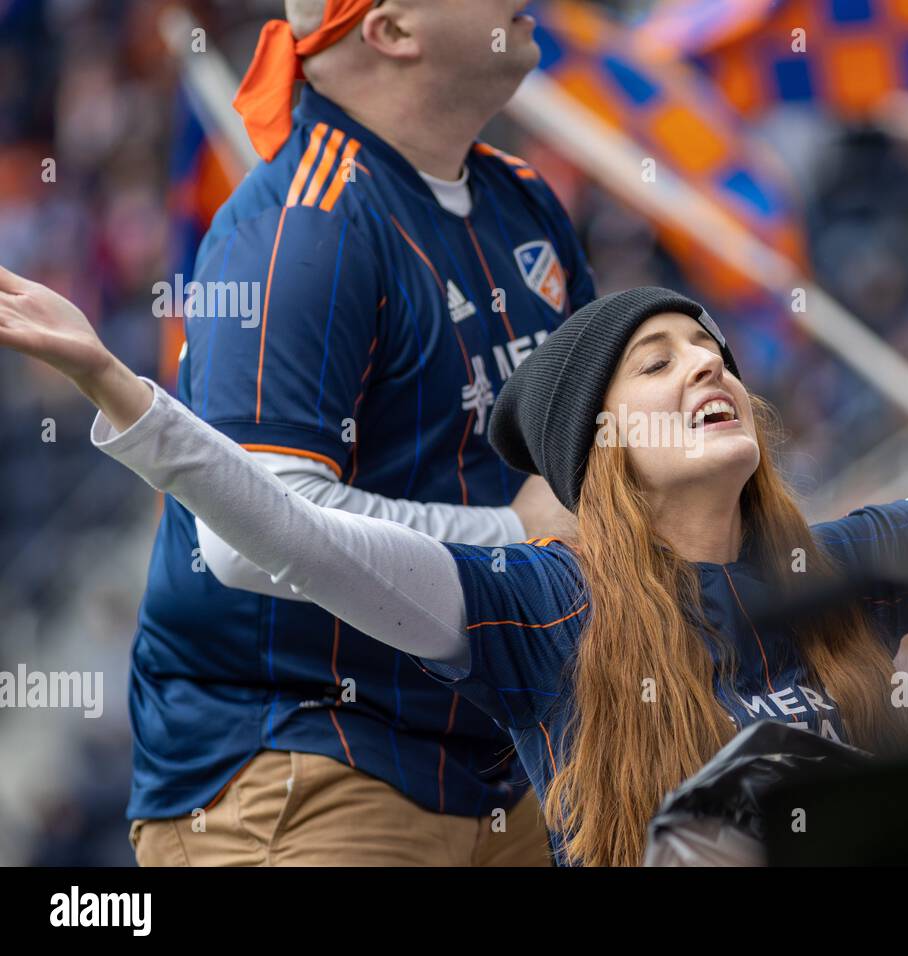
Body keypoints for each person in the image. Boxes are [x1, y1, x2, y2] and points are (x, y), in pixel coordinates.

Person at [2, 161, 908, 866]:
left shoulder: (838, 572)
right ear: (602, 442)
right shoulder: (538, 606)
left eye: (717, 351)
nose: (710, 369)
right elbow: (296, 537)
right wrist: (121, 390)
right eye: (661, 363)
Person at [128, 0, 593, 865]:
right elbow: (248, 537)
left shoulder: (523, 197)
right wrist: (516, 539)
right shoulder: (301, 227)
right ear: (391, 30)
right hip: (303, 766)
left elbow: (597, 440)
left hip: (513, 753)